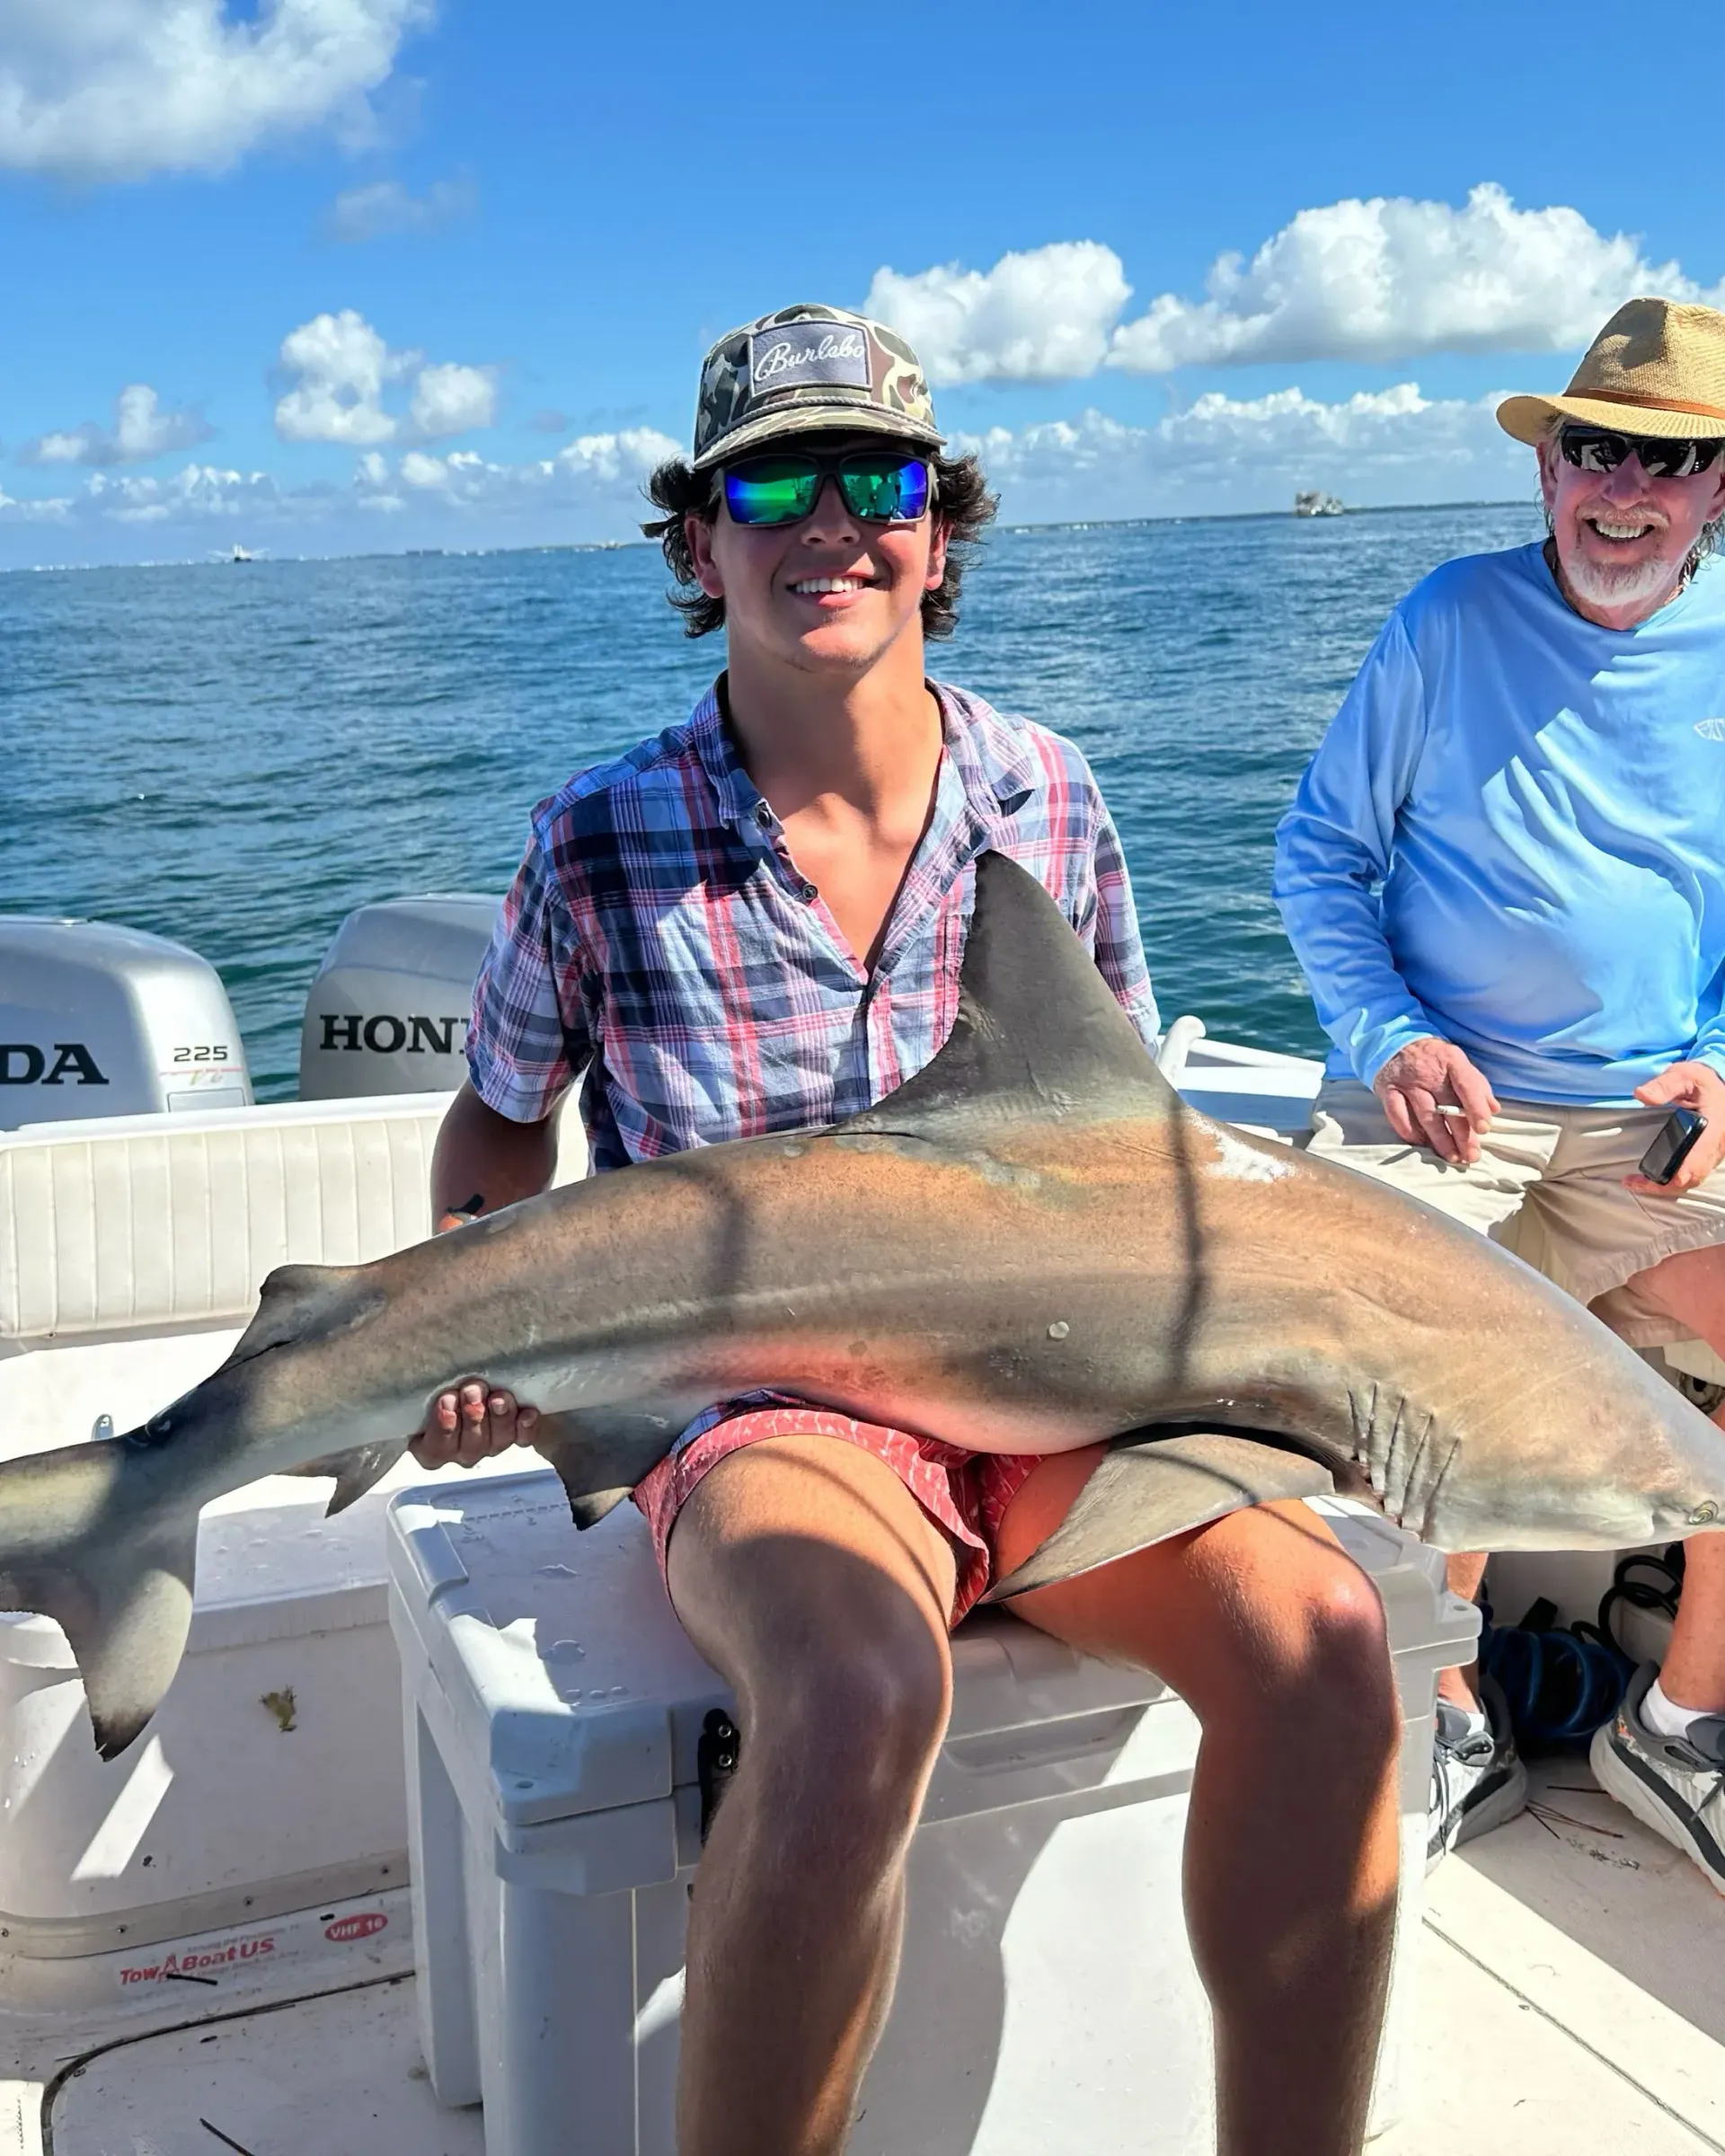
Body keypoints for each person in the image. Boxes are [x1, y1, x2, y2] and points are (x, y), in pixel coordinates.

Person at [412, 303, 1402, 2156]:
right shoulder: (601, 838)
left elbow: (1135, 1151)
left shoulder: (1052, 797)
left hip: (1056, 1389)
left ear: (939, 526)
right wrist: (490, 1319)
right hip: (766, 1407)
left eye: (872, 477)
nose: (825, 522)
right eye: (762, 481)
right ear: (697, 543)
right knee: (863, 1681)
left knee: (1327, 1642)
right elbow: (497, 1123)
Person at [1273, 296, 1725, 1881]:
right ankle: (1449, 1699)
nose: (1628, 488)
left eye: (1672, 460)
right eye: (1598, 447)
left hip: (1647, 1128)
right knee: (1382, 1360)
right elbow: (1321, 855)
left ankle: (1676, 1726)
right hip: (1439, 1107)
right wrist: (1389, 1029)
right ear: (1547, 473)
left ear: (1720, 488)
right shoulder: (1447, 620)